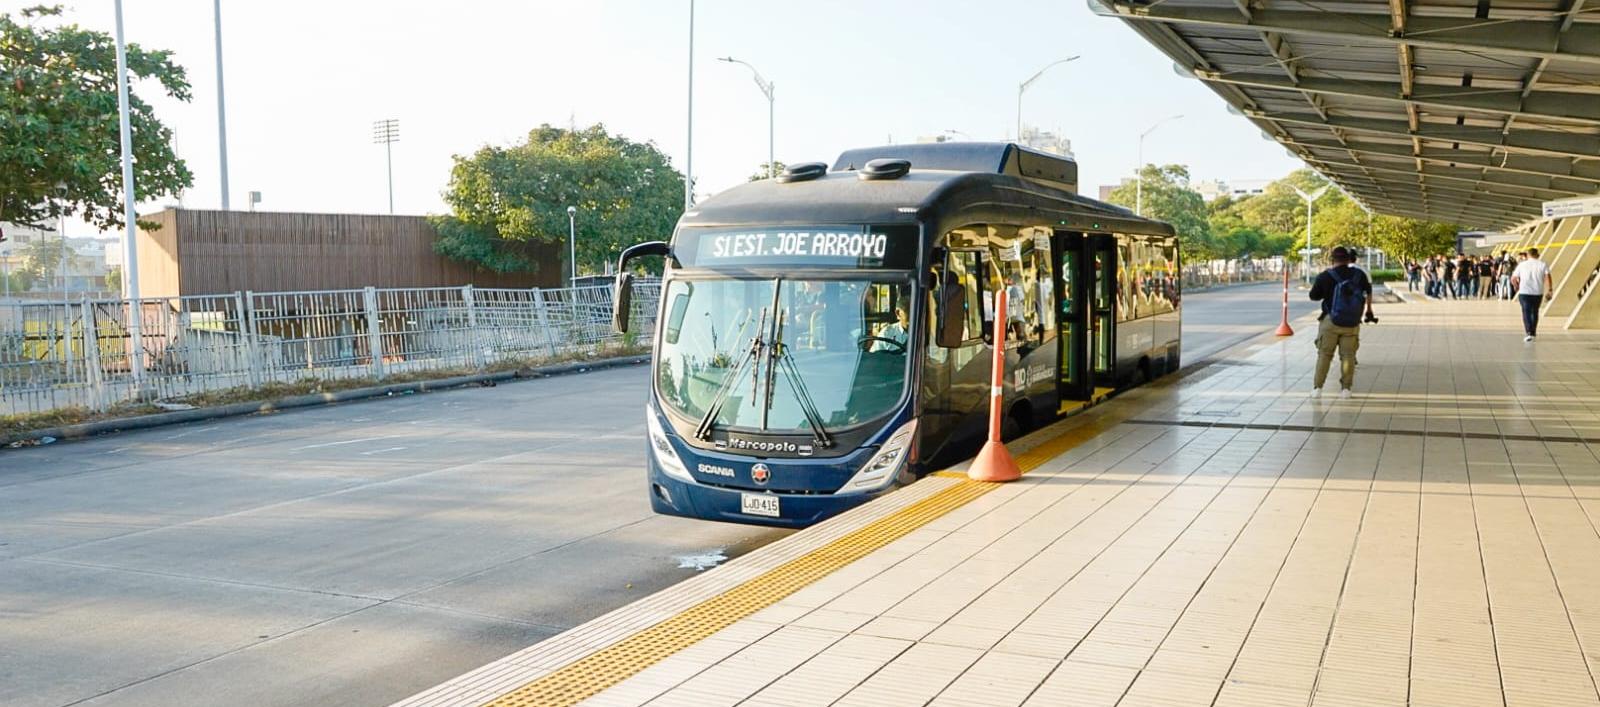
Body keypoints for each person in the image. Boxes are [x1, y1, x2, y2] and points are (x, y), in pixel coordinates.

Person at [1308, 246, 1375, 399]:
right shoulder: (1359, 275)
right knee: (1348, 356)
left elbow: (1314, 296)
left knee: (1324, 355)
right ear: (1348, 259)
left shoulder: (1325, 276)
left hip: (1330, 321)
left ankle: (1317, 388)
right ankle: (1346, 390)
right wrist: (1369, 310)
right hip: (1352, 322)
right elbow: (1368, 292)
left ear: (1332, 260)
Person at [1510, 248, 1553, 341]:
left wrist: (1516, 286)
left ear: (1528, 255)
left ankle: (1529, 332)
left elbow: (1513, 278)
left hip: (1524, 292)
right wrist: (1549, 289)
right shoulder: (1543, 264)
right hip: (1538, 292)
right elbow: (1547, 278)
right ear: (1537, 254)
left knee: (1526, 312)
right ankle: (1533, 332)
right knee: (1535, 312)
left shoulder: (1522, 265)